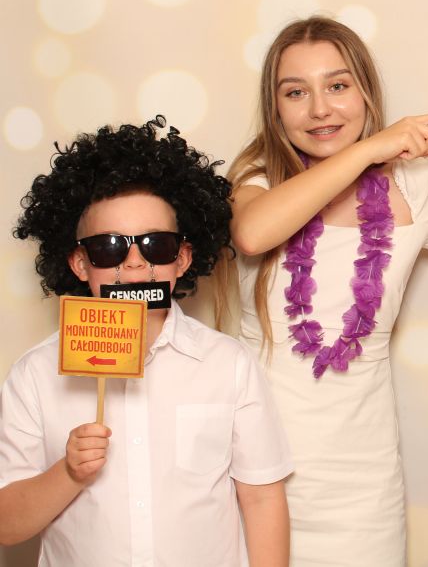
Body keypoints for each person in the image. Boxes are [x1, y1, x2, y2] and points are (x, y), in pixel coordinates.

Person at [223, 16, 428, 565]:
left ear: (366, 92)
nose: (320, 109)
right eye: (296, 92)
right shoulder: (259, 179)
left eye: (338, 85)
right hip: (250, 468)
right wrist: (370, 148)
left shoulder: (413, 187)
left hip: (361, 484)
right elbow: (254, 234)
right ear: (274, 108)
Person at [1, 117, 293, 566]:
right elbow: (7, 526)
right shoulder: (35, 375)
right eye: (109, 248)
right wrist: (69, 473)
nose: (135, 264)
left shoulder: (227, 364)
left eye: (156, 245)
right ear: (80, 263)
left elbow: (262, 499)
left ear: (183, 259)